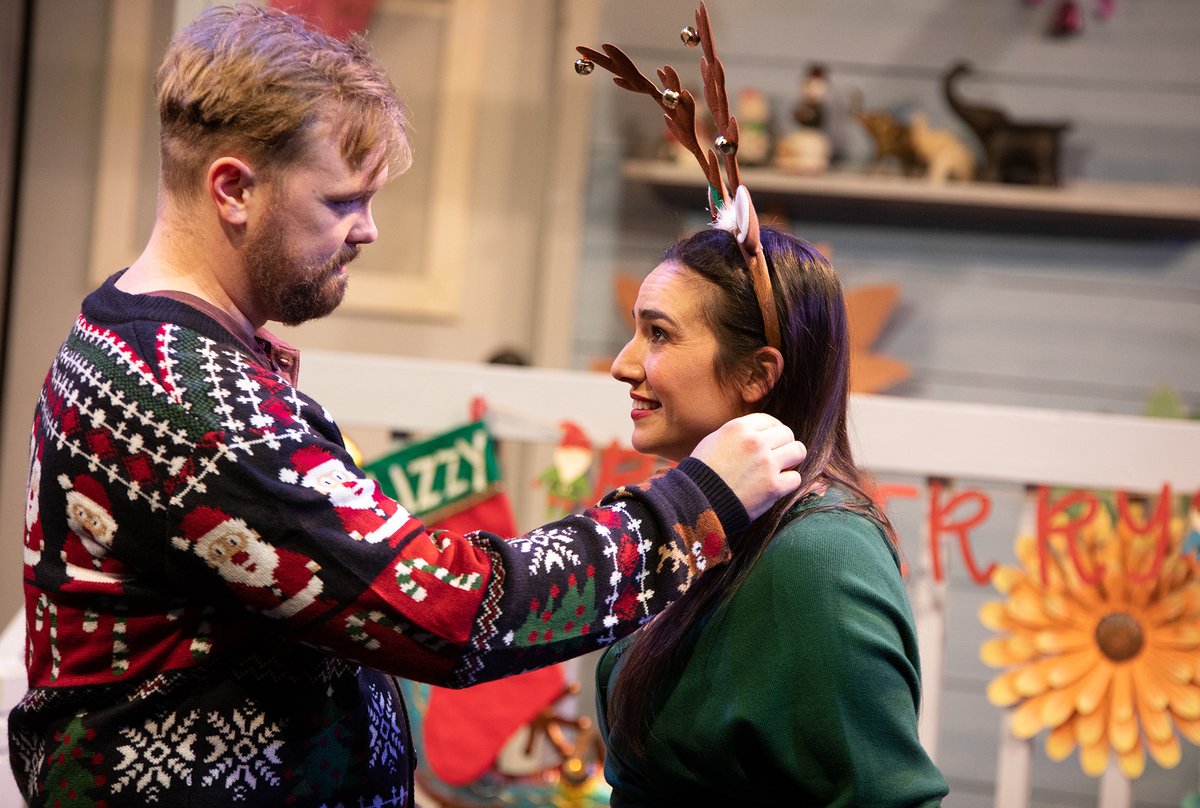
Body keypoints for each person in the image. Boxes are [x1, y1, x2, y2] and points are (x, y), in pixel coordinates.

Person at [9, 6, 808, 807]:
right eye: (341, 201)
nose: (368, 231)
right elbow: (451, 611)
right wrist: (688, 507)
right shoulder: (183, 395)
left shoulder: (139, 335)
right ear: (233, 189)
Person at [597, 224, 950, 805]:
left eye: (658, 334)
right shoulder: (709, 526)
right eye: (634, 330)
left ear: (758, 374)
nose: (623, 364)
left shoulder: (821, 555)